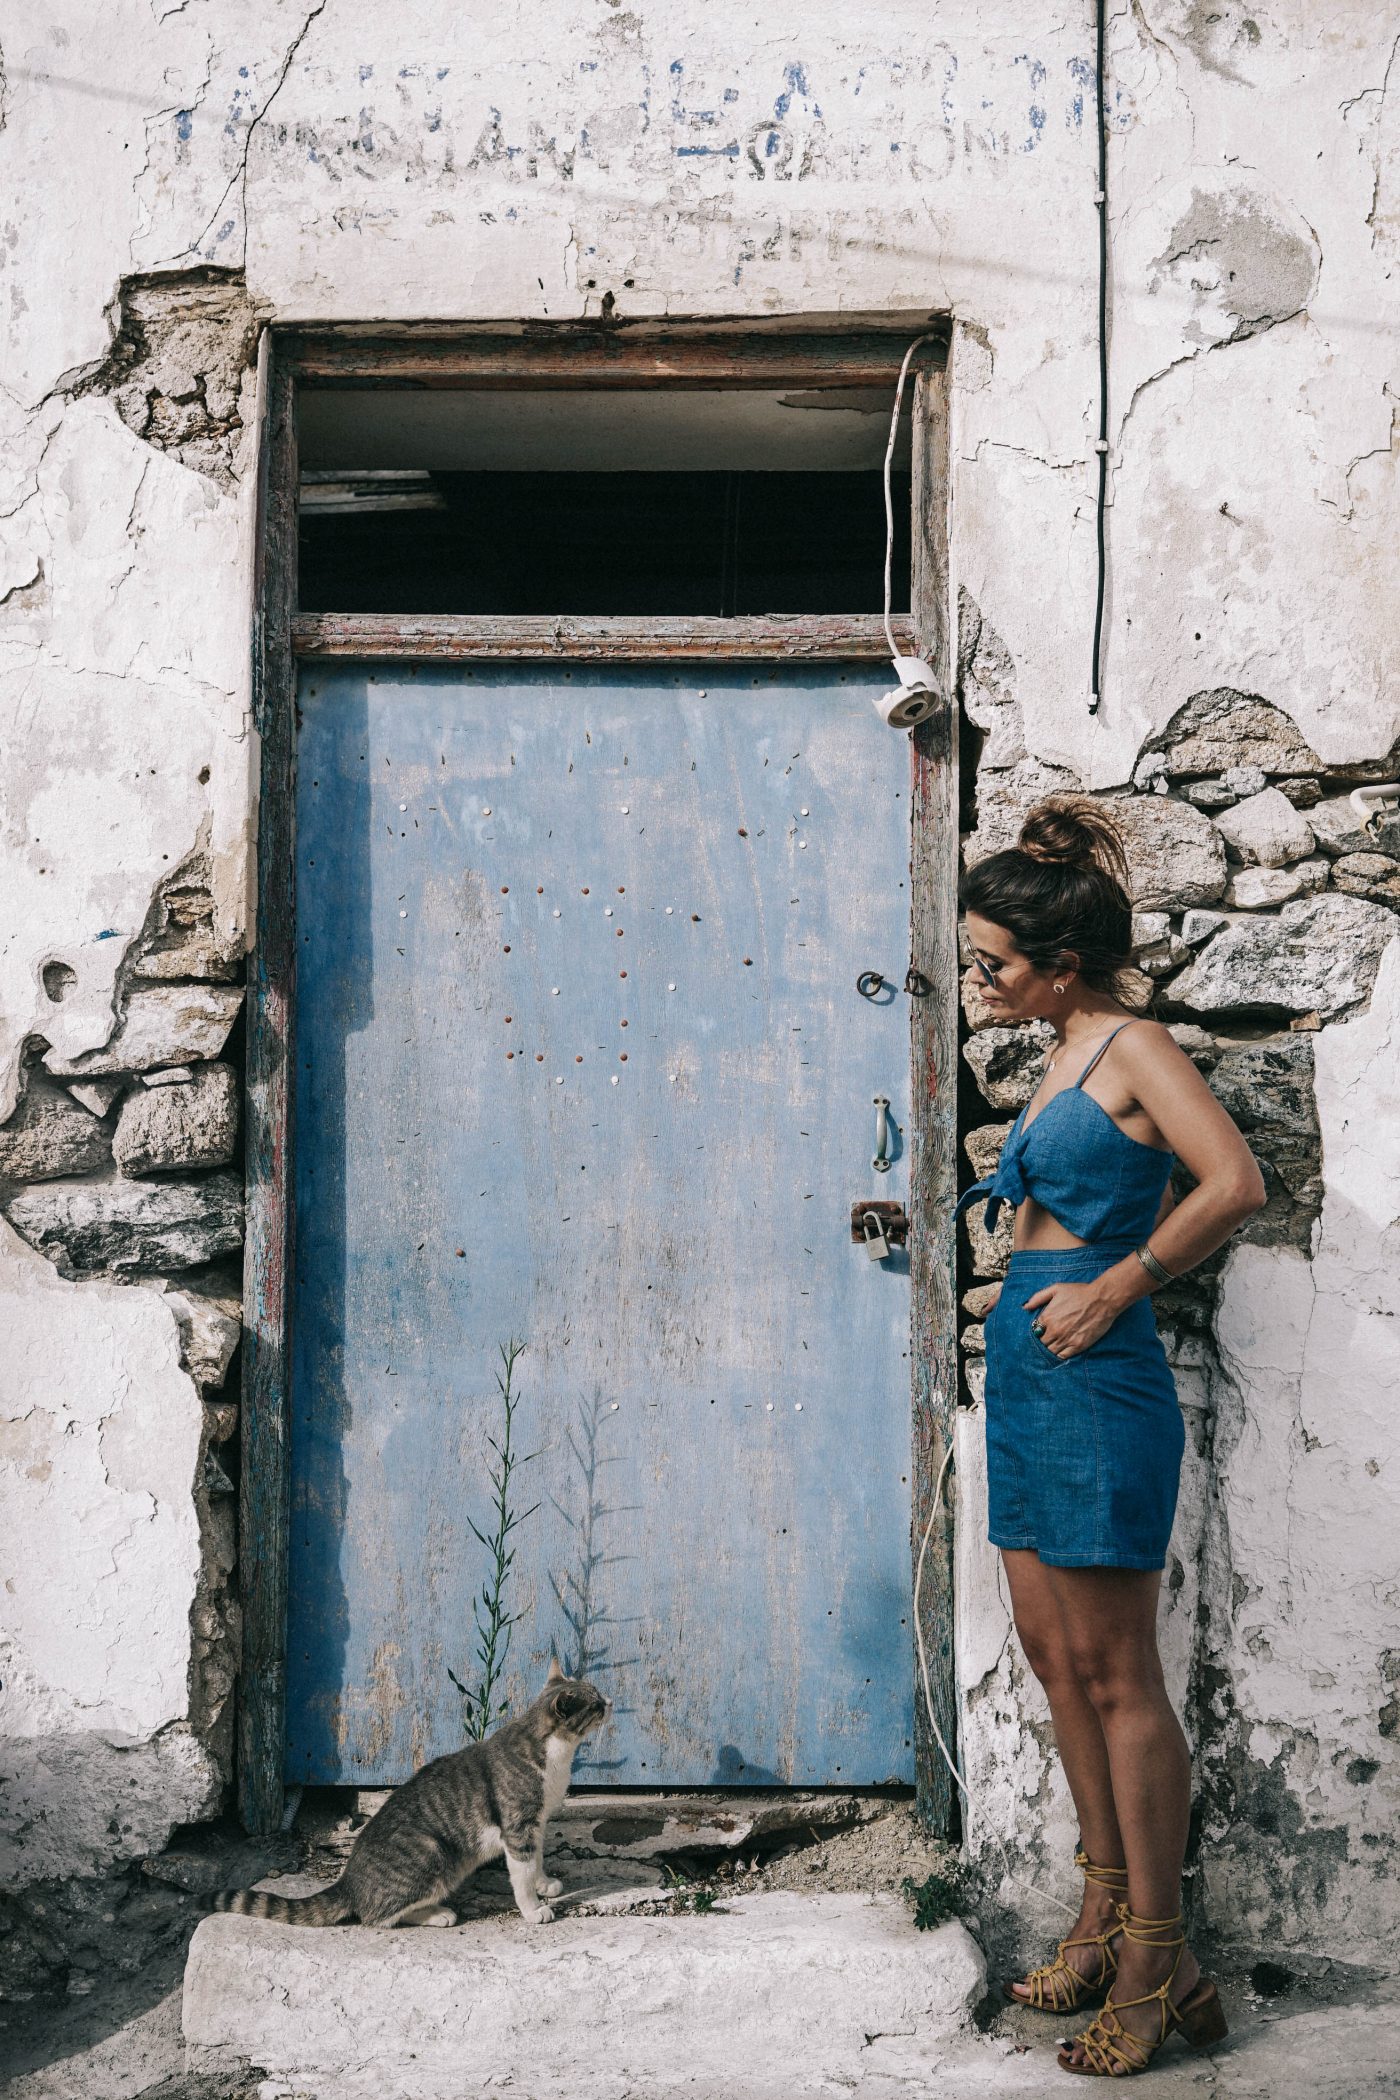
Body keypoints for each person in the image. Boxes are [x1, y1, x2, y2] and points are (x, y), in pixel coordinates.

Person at [956, 794, 1265, 2078]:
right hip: (1030, 1371)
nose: (977, 982)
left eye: (993, 965)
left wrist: (1119, 1281)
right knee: (1048, 1654)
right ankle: (1099, 1906)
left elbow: (1233, 1182)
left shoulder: (1134, 1047)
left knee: (1114, 1670)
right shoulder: (1058, 1051)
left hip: (1095, 1372)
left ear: (1060, 967)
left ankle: (1155, 1949)